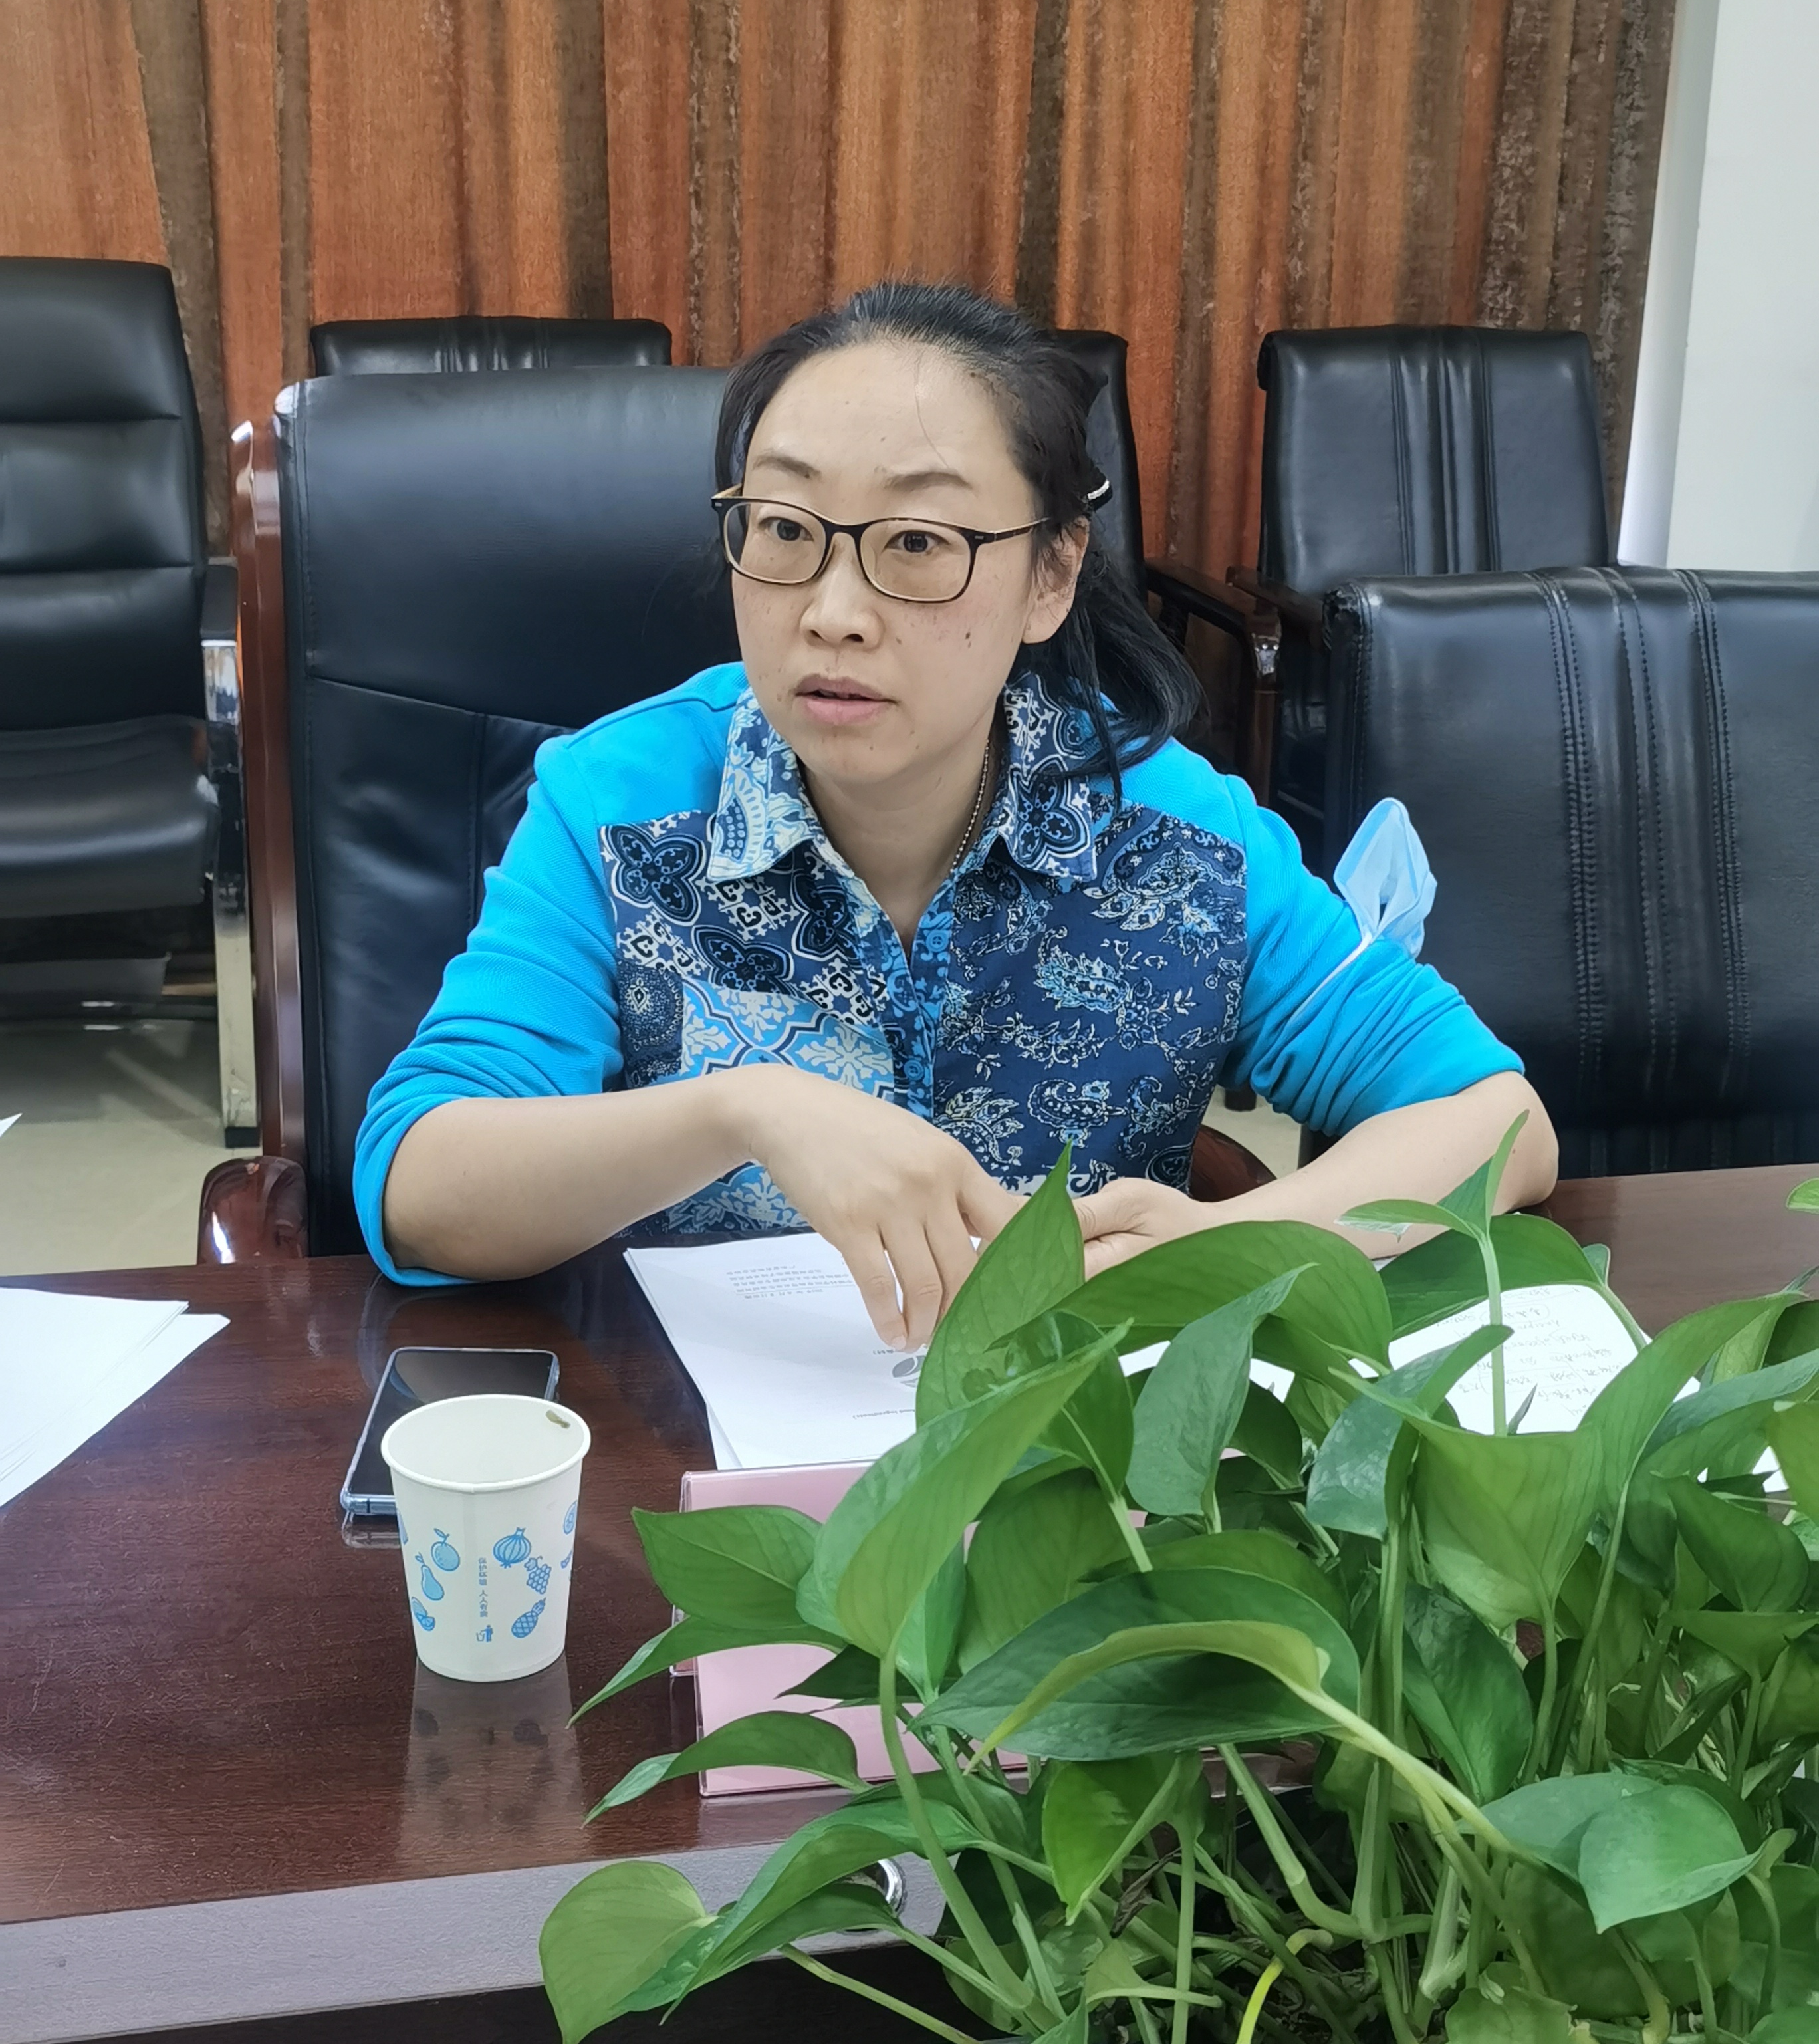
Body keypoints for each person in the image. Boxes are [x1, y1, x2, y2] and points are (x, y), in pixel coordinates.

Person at [357, 283, 1556, 1350]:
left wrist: (1239, 1245)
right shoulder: (619, 806)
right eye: (785, 529)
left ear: (1050, 575)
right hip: (694, 1466)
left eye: (919, 542)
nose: (832, 612)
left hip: (1072, 1470)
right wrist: (743, 1109)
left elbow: (1495, 1118)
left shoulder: (1172, 834)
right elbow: (418, 1184)